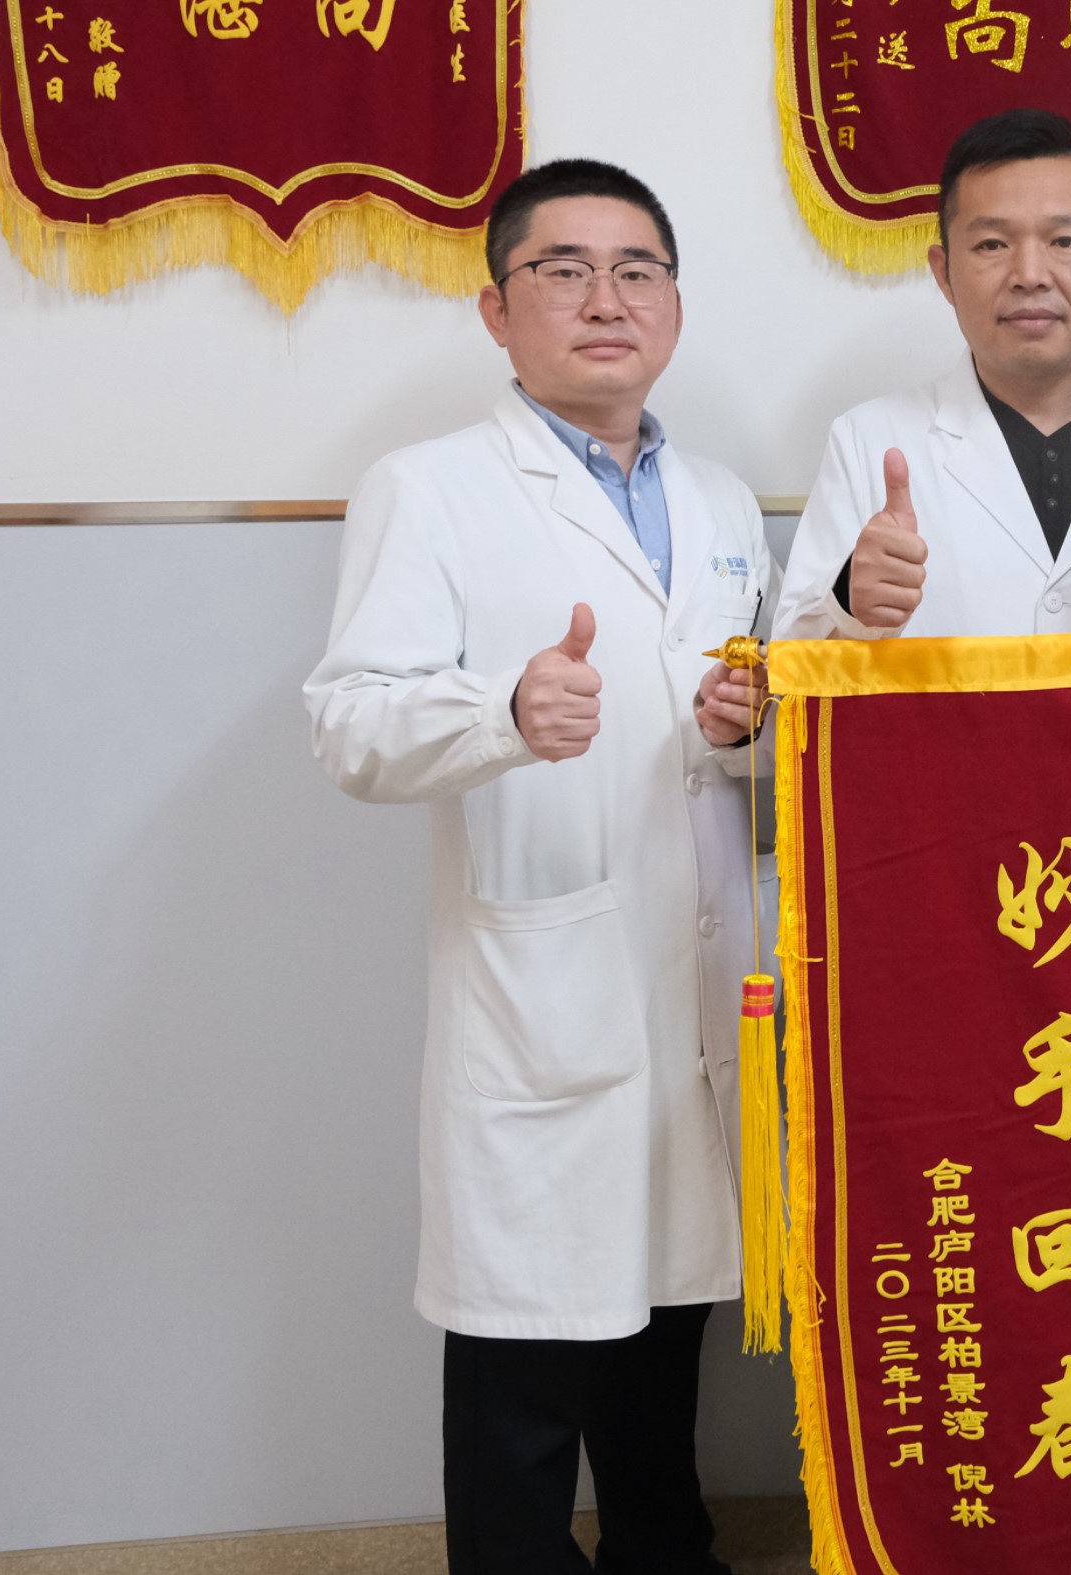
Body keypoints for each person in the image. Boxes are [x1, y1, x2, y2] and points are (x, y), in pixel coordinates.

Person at [303, 158, 772, 1575]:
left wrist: (744, 724)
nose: (605, 299)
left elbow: (739, 728)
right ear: (497, 311)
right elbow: (351, 725)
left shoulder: (721, 498)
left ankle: (663, 1552)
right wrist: (503, 710)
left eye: (637, 269)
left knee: (663, 1337)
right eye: (562, 270)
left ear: (674, 302)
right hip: (541, 986)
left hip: (696, 977)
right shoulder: (430, 488)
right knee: (526, 1367)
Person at [773, 109, 1071, 644]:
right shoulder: (867, 442)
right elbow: (788, 663)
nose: (1030, 275)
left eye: (1064, 241)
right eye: (992, 244)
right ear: (943, 273)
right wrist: (847, 601)